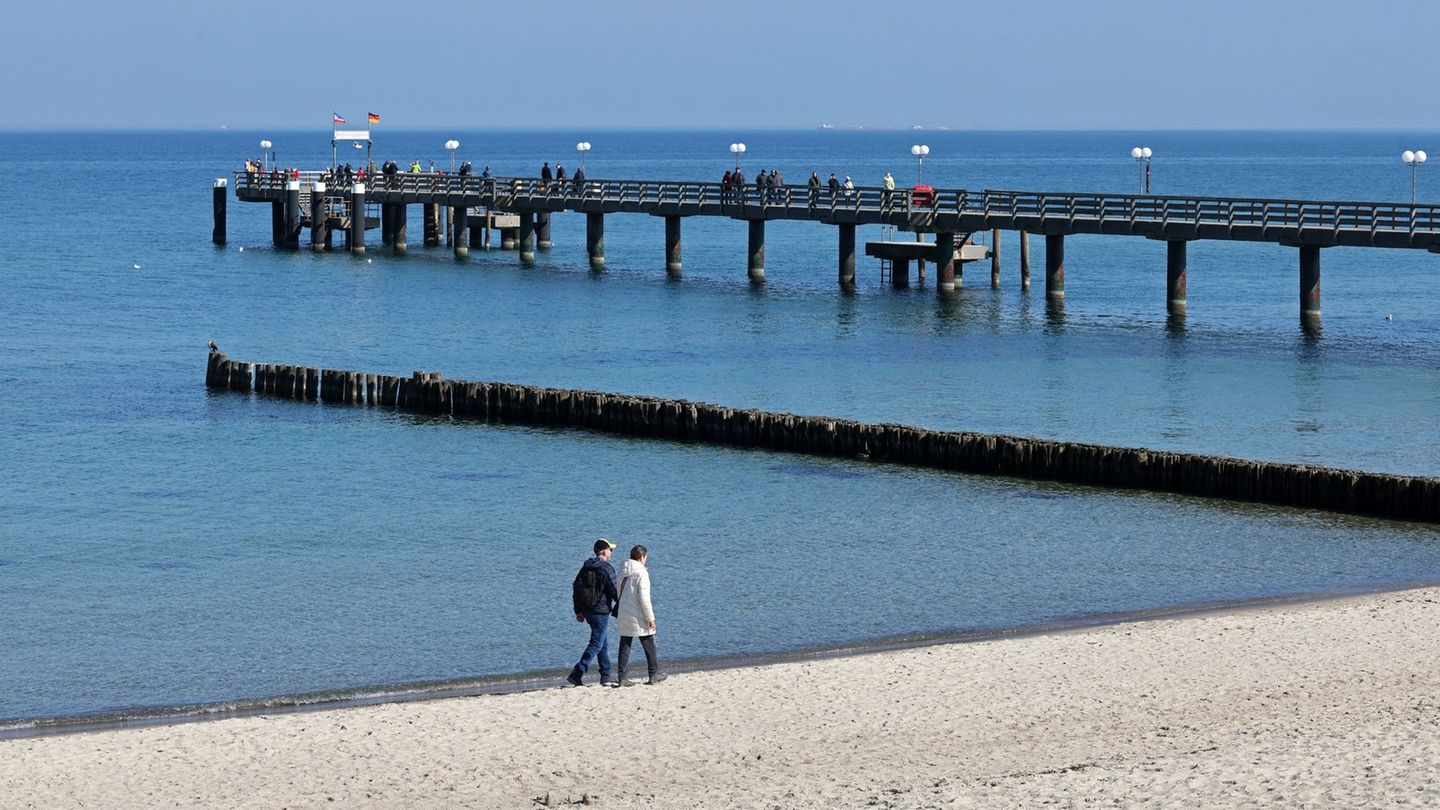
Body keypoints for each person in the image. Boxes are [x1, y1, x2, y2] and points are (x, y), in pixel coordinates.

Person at [567, 538, 620, 687]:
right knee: (596, 643)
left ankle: (606, 675)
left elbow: (576, 588)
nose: (612, 552)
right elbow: (615, 591)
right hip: (600, 611)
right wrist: (623, 606)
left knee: (602, 642)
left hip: (587, 611)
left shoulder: (586, 567)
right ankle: (578, 672)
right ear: (604, 551)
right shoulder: (607, 568)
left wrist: (578, 610)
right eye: (611, 549)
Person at [614, 544, 665, 686]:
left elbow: (617, 591)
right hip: (638, 612)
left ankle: (622, 677)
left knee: (625, 642)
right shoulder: (642, 572)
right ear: (642, 557)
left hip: (624, 610)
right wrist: (650, 618)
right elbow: (644, 598)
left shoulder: (621, 570)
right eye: (645, 557)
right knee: (649, 640)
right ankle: (653, 674)